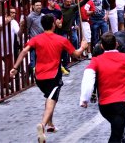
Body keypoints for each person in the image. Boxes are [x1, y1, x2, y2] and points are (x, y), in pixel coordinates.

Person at [10, 14, 88, 143]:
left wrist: (15, 67)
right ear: (53, 24)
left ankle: (51, 124)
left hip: (39, 77)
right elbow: (76, 54)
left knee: (48, 98)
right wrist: (83, 47)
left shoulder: (36, 39)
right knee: (51, 101)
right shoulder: (61, 40)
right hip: (53, 76)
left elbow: (24, 51)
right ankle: (43, 125)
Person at [79, 32, 125, 143]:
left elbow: (88, 78)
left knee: (118, 131)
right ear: (116, 44)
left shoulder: (95, 61)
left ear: (101, 46)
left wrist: (84, 99)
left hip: (104, 107)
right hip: (121, 105)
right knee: (117, 136)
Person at [0, 7, 20, 96]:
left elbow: (19, 33)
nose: (14, 14)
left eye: (15, 13)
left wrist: (22, 27)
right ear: (6, 13)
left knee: (10, 69)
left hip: (7, 51)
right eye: (12, 12)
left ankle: (5, 83)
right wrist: (6, 22)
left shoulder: (14, 23)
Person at [26, 0, 44, 70]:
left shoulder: (43, 15)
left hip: (43, 41)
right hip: (34, 41)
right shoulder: (30, 17)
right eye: (37, 5)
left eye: (40, 5)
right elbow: (27, 28)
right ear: (33, 6)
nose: (39, 7)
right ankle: (31, 74)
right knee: (33, 60)